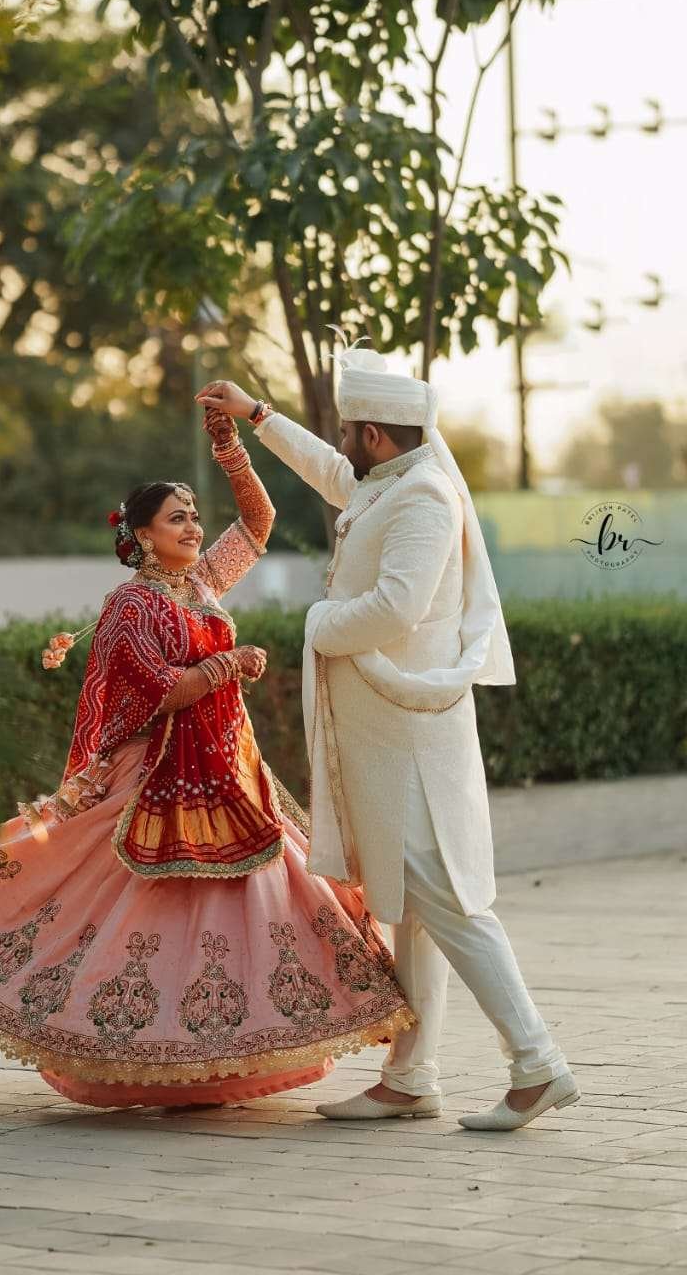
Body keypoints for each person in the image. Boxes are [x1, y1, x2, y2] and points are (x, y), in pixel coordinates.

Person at [0, 404, 415, 1109]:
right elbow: (163, 692)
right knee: (137, 910)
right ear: (142, 538)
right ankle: (140, 1050)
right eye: (176, 519)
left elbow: (258, 523)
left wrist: (230, 448)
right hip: (156, 776)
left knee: (255, 900)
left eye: (194, 516)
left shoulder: (201, 584)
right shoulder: (130, 607)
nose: (193, 527)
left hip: (226, 771)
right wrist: (231, 663)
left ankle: (218, 1056)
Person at [194, 339, 579, 1131]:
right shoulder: (388, 483)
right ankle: (410, 1077)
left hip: (412, 737)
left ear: (374, 434)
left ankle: (537, 1063)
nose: (342, 444)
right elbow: (331, 474)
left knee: (447, 901)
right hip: (388, 733)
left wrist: (318, 621)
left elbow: (397, 608)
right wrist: (258, 415)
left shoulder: (423, 499)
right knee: (413, 907)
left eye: (348, 431)